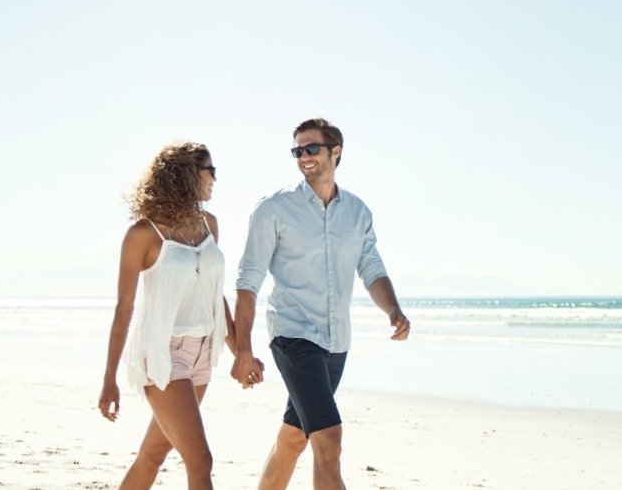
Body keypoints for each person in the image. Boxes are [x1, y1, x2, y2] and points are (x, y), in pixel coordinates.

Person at [230, 118, 411, 490]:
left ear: (335, 152)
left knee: (295, 437)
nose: (304, 156)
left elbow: (372, 268)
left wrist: (392, 309)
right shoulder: (274, 208)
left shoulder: (357, 212)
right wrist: (242, 350)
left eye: (312, 148)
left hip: (336, 344)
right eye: (297, 150)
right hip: (293, 336)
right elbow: (248, 281)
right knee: (328, 441)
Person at [98, 141, 238, 490]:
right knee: (200, 461)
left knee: (153, 455)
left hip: (203, 353)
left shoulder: (209, 224)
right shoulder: (143, 234)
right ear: (187, 175)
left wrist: (241, 352)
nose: (215, 179)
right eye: (211, 170)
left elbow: (214, 294)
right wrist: (109, 378)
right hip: (163, 355)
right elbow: (124, 309)